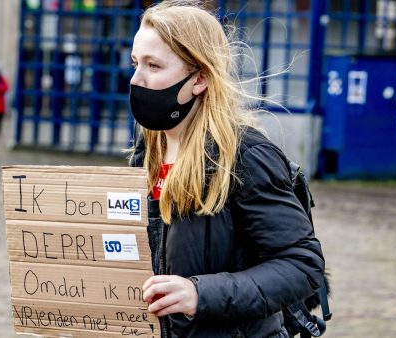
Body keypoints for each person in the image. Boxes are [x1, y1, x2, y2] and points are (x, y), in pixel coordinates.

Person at [128, 1, 325, 337]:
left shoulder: (246, 155)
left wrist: (200, 294)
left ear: (200, 78)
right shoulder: (148, 151)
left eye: (154, 66)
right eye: (135, 63)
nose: (136, 79)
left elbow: (302, 265)